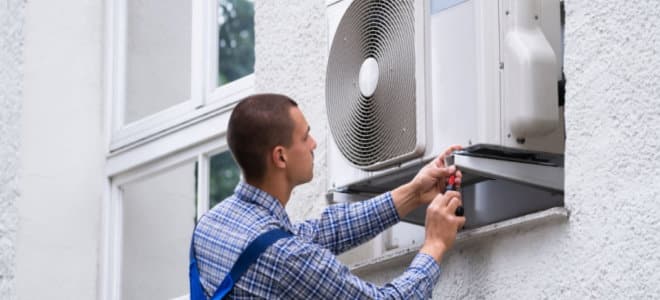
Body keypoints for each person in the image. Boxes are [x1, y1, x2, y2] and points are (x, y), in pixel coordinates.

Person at [192, 93, 465, 299]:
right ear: (280, 156)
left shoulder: (211, 224)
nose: (314, 144)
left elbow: (321, 232)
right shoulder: (287, 259)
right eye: (305, 137)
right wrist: (435, 244)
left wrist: (413, 193)